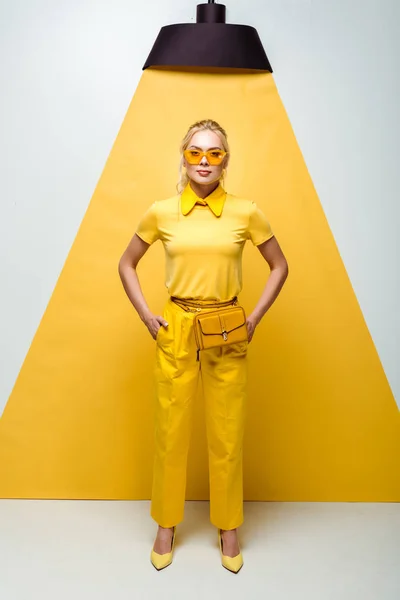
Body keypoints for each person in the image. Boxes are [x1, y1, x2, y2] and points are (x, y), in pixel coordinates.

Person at [118, 119, 289, 573]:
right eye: (196, 152)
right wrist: (145, 314)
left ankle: (228, 526)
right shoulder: (161, 212)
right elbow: (127, 263)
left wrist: (253, 319)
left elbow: (279, 266)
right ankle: (166, 524)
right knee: (170, 434)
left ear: (226, 160)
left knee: (227, 435)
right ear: (184, 156)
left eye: (214, 153)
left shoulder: (246, 211)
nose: (204, 162)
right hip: (175, 325)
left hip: (227, 326)